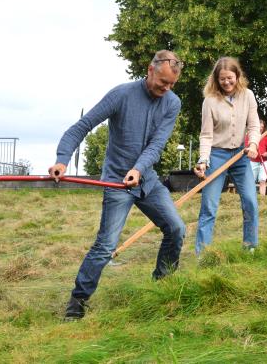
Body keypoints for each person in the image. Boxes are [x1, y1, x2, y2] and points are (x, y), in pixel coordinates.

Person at [49, 50, 186, 320]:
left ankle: (163, 285)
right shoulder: (121, 95)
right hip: (116, 183)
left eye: (172, 84)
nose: (166, 89)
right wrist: (62, 160)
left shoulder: (172, 103)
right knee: (105, 245)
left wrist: (138, 169)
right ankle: (78, 300)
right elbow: (82, 126)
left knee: (176, 229)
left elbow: (157, 144)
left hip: (148, 181)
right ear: (150, 70)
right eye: (162, 82)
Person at [193, 57, 260, 255]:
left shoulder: (247, 96)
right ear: (216, 79)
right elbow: (206, 135)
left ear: (237, 76)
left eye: (230, 78)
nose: (227, 82)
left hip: (241, 155)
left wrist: (254, 144)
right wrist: (203, 160)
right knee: (209, 207)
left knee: (250, 202)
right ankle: (203, 254)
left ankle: (250, 248)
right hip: (217, 155)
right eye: (222, 79)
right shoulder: (210, 101)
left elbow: (254, 125)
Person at [245, 120, 267, 196]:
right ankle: (252, 198)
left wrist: (266, 153)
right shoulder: (249, 136)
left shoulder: (266, 137)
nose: (260, 128)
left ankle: (262, 198)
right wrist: (249, 152)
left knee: (262, 180)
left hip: (263, 162)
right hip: (252, 162)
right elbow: (245, 148)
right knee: (251, 181)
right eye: (259, 127)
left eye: (262, 127)